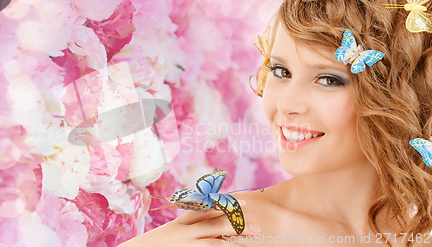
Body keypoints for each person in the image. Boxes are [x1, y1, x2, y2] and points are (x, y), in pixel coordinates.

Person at [120, 0, 432, 246]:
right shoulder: (230, 233)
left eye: (327, 79)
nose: (286, 105)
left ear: (398, 95)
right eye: (281, 71)